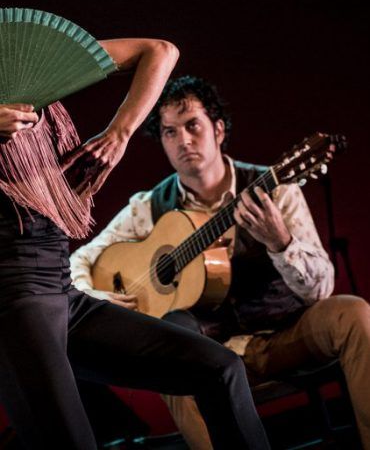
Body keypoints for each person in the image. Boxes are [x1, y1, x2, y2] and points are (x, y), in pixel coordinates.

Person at [71, 75, 370, 450]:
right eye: (169, 132)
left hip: (284, 336)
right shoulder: (146, 207)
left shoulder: (276, 188)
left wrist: (281, 242)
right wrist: (99, 297)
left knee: (354, 314)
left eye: (192, 125)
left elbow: (320, 290)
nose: (183, 140)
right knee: (170, 362)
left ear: (218, 129)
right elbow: (78, 260)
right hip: (211, 357)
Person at [0, 46, 271, 450]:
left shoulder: (30, 56)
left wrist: (119, 134)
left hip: (61, 293)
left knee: (221, 369)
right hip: (13, 304)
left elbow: (159, 51)